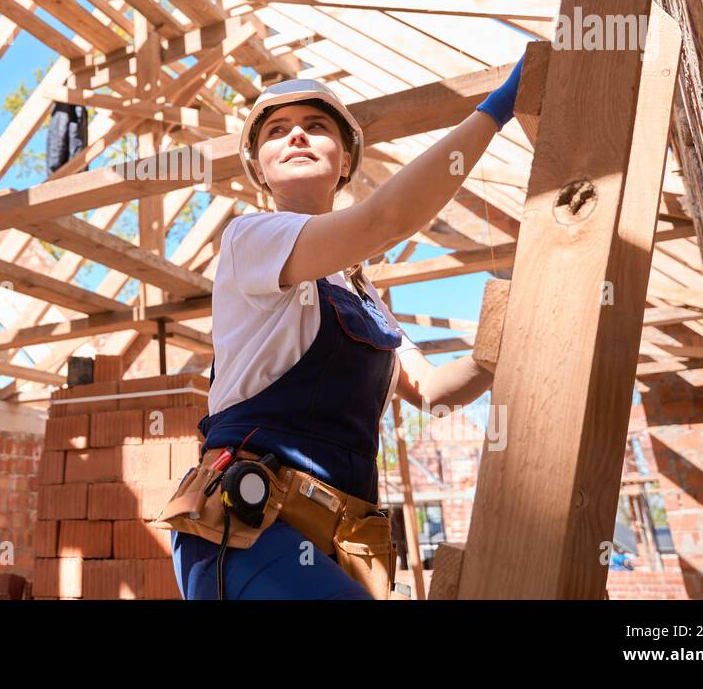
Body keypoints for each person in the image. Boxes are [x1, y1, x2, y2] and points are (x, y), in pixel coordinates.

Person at [167, 58, 524, 599]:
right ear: (259, 168)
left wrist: (496, 352)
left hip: (338, 536)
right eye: (276, 131)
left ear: (346, 160)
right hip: (248, 530)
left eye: (316, 126)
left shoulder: (361, 292)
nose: (296, 136)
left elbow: (431, 392)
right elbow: (385, 220)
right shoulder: (251, 239)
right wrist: (496, 112)